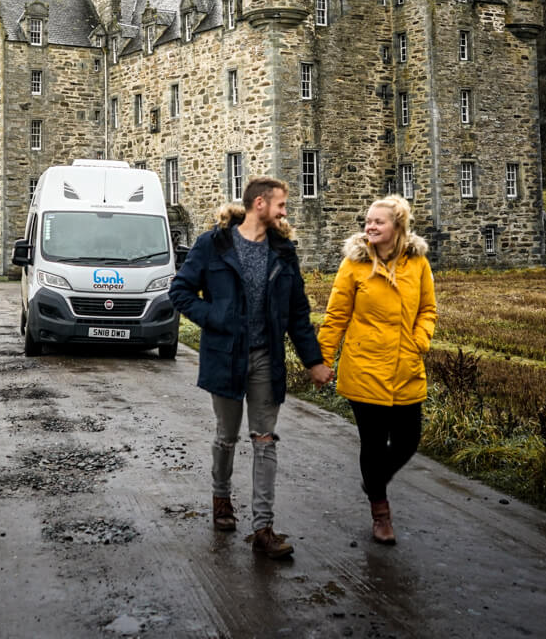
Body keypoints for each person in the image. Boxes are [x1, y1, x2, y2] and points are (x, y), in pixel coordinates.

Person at [170, 177, 334, 559]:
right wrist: (216, 316)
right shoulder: (213, 245)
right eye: (281, 205)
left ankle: (263, 528)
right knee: (227, 436)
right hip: (225, 355)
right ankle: (222, 499)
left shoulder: (283, 251)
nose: (285, 212)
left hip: (265, 357)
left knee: (264, 439)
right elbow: (179, 291)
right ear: (260, 204)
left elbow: (297, 312)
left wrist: (313, 361)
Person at [318, 195, 437, 545]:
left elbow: (428, 309)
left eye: (378, 222)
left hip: (406, 366)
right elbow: (336, 315)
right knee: (372, 443)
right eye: (367, 221)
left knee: (408, 440)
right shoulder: (354, 264)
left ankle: (373, 480)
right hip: (364, 367)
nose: (369, 226)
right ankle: (380, 513)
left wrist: (419, 341)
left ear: (398, 226)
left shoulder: (418, 263)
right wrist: (323, 360)